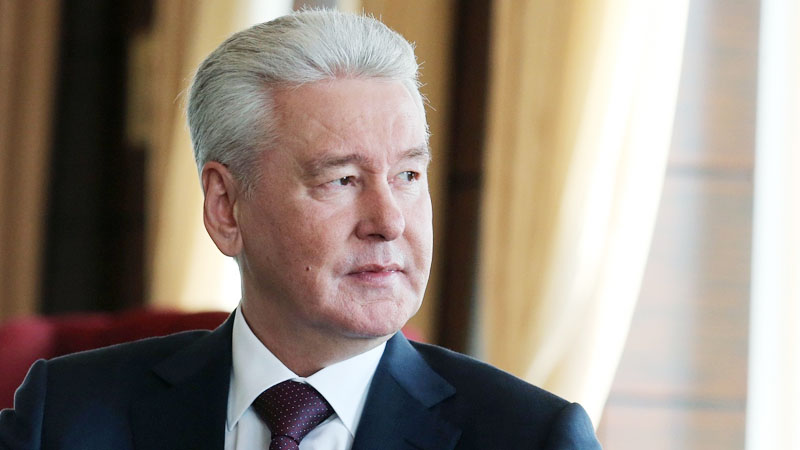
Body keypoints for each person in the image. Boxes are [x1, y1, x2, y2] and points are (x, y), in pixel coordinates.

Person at [0, 9, 601, 450]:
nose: (389, 221)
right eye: (342, 179)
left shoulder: (532, 436)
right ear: (226, 207)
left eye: (408, 175)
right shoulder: (68, 415)